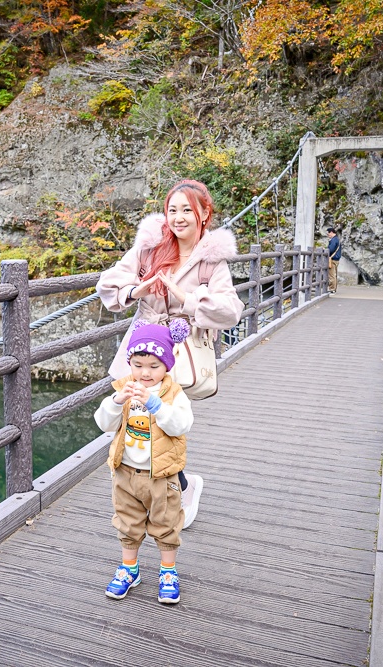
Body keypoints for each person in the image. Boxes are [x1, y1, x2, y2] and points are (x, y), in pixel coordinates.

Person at [96, 179, 244, 529]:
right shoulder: (149, 249)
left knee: (163, 423)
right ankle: (177, 487)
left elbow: (231, 310)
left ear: (204, 213)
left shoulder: (212, 262)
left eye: (186, 210)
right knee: (137, 420)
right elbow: (108, 283)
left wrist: (189, 299)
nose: (178, 218)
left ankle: (172, 490)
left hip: (180, 351)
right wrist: (137, 288)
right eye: (172, 209)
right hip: (144, 349)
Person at [94, 319, 194, 604]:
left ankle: (168, 571)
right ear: (129, 363)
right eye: (138, 365)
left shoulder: (173, 394)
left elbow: (181, 425)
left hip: (161, 475)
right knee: (127, 522)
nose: (145, 373)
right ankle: (129, 568)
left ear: (166, 365)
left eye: (154, 366)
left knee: (166, 523)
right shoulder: (124, 388)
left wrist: (155, 404)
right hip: (125, 472)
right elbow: (103, 423)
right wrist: (115, 401)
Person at [327, 227, 342, 293]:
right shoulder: (337, 239)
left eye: (328, 233)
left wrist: (326, 250)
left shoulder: (333, 240)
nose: (328, 234)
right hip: (336, 258)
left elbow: (331, 249)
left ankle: (332, 289)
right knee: (334, 274)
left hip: (332, 259)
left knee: (331, 275)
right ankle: (334, 288)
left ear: (331, 232)